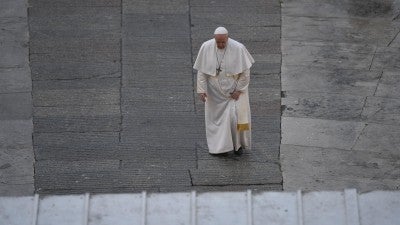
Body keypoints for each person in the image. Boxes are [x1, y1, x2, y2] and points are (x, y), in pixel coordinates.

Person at [194, 27, 254, 155]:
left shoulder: (238, 48)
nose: (220, 45)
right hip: (215, 93)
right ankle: (220, 148)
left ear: (228, 38)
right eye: (218, 42)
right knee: (217, 122)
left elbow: (245, 73)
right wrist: (201, 89)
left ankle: (238, 146)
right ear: (214, 39)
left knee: (235, 118)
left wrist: (238, 90)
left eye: (223, 42)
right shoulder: (206, 47)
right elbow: (202, 71)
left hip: (234, 92)